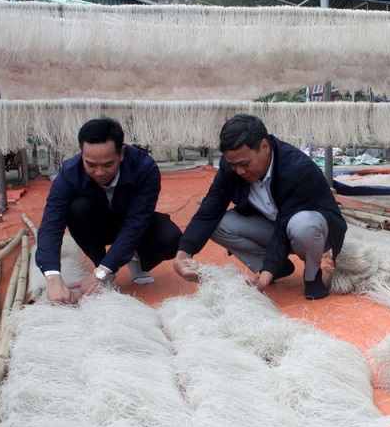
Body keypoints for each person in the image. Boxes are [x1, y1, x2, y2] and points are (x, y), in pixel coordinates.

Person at [174, 113, 346, 300]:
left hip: (313, 232)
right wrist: (184, 252)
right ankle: (276, 267)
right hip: (271, 226)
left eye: (244, 164)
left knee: (302, 225)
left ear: (264, 147)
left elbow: (284, 224)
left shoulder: (298, 168)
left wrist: (266, 275)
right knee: (216, 224)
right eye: (233, 165)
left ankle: (312, 276)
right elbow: (210, 209)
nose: (239, 171)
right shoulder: (230, 167)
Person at [36, 117, 182, 304]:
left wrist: (102, 273)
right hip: (97, 224)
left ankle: (129, 260)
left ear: (121, 153)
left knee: (170, 237)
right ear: (81, 154)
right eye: (90, 164)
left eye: (107, 165)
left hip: (131, 222)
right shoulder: (69, 173)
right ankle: (102, 263)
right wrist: (53, 277)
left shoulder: (145, 168)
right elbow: (51, 224)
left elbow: (136, 223)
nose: (99, 172)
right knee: (77, 208)